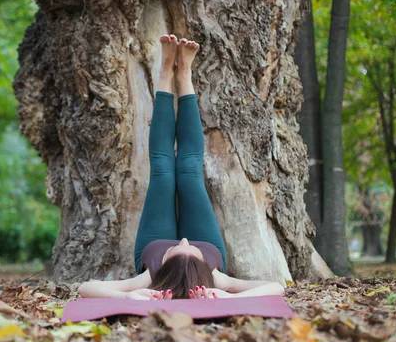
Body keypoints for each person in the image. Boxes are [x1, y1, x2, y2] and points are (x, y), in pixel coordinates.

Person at [78, 35, 285, 300]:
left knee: (163, 173)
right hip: (208, 244)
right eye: (190, 249)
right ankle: (185, 76)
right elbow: (276, 288)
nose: (183, 241)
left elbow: (87, 288)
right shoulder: (217, 278)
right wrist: (232, 296)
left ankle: (165, 72)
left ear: (164, 266)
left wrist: (129, 296)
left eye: (176, 250)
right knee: (189, 173)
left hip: (153, 244)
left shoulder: (150, 276)